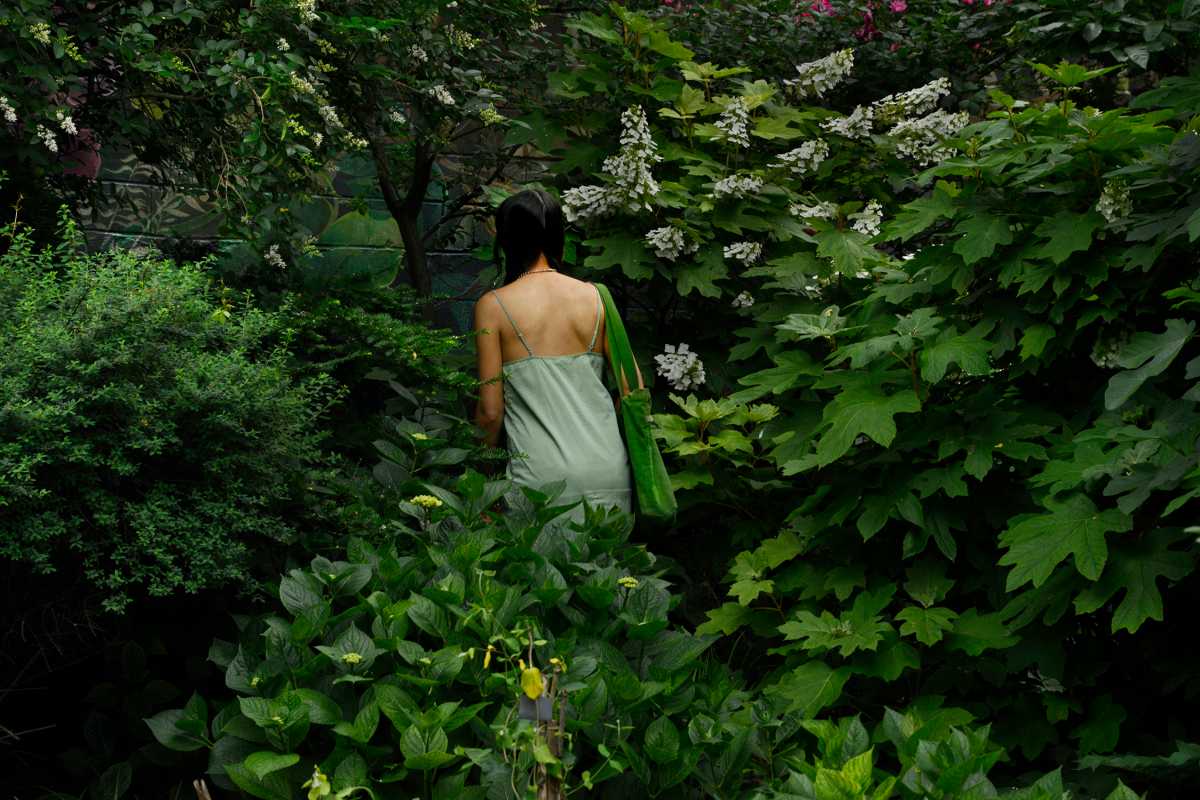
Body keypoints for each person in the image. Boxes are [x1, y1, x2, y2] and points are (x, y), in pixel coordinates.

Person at [473, 188, 638, 522]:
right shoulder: (596, 298)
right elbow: (632, 389)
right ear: (557, 236)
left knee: (536, 575)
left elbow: (490, 413)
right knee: (607, 573)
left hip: (538, 478)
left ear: (507, 241)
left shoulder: (493, 306)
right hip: (607, 472)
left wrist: (482, 483)